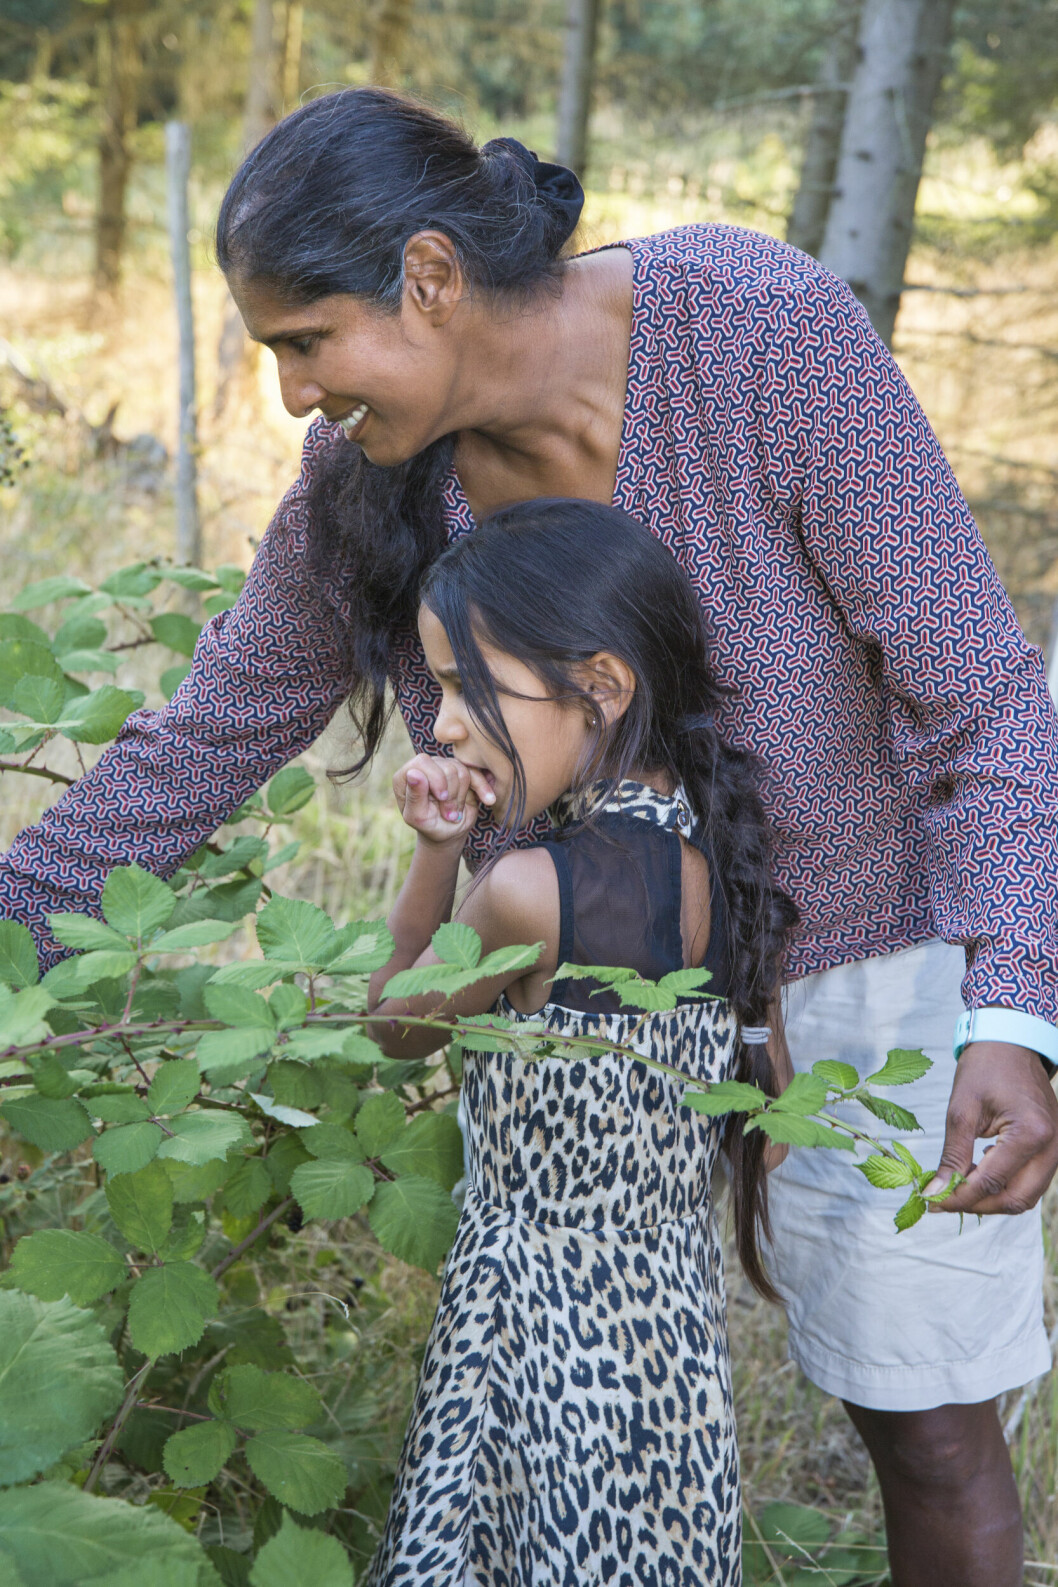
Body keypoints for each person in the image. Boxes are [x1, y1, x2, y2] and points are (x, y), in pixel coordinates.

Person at [1, 87, 1057, 1583]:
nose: (294, 393)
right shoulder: (374, 478)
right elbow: (202, 739)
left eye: (304, 340)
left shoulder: (757, 333)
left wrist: (1012, 1006)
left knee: (925, 1425)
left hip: (864, 957)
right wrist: (4, 943)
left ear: (428, 276)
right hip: (573, 1013)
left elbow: (981, 696)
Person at [362, 500, 797, 1585]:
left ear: (600, 687)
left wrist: (434, 854)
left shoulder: (523, 892)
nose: (444, 725)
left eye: (471, 688)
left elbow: (391, 1028)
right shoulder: (725, 877)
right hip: (668, 1353)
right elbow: (770, 1125)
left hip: (527, 1332)